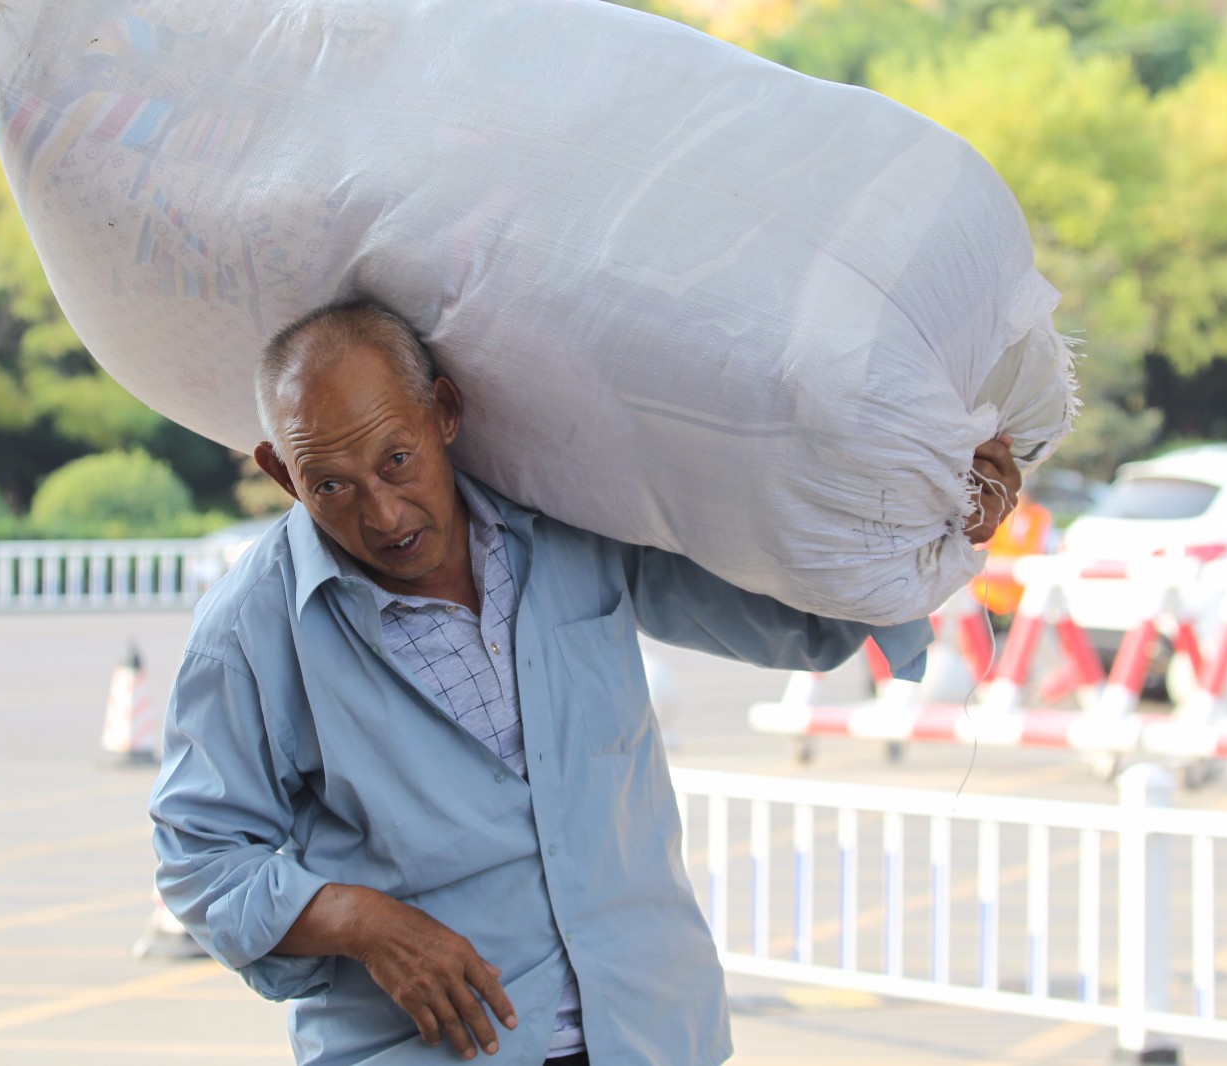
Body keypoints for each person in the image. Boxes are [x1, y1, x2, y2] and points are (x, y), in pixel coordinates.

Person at [149, 299, 1022, 1065]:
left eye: (397, 462)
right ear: (276, 473)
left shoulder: (573, 529)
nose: (379, 512)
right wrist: (363, 922)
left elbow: (798, 619)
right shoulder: (251, 631)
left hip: (649, 1033)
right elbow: (197, 857)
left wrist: (937, 521)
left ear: (443, 412)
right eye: (329, 485)